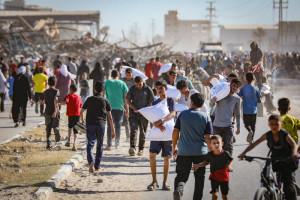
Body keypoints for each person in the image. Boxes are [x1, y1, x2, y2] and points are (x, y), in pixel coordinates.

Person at [238, 115, 298, 200]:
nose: (274, 126)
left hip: (287, 160)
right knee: (264, 175)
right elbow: (254, 144)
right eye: (272, 124)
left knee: (288, 187)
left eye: (276, 124)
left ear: (281, 124)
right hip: (275, 159)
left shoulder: (284, 134)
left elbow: (293, 144)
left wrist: (294, 154)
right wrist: (243, 153)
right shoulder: (267, 135)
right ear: (269, 125)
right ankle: (266, 191)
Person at [172, 93, 213, 200]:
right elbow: (208, 137)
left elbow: (176, 131)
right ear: (202, 104)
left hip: (183, 152)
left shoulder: (183, 115)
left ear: (192, 102)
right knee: (199, 178)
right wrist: (211, 152)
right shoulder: (205, 117)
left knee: (181, 175)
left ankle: (179, 190)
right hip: (200, 152)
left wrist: (174, 147)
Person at [80, 81, 115, 173]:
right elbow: (110, 117)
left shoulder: (89, 99)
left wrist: (82, 120)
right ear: (103, 90)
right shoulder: (106, 101)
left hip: (90, 125)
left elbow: (81, 111)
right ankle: (97, 166)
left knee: (90, 145)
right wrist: (112, 130)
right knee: (100, 146)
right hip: (101, 125)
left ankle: (91, 161)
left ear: (94, 89)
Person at [147, 80, 176, 191]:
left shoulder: (170, 100)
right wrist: (158, 125)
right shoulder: (154, 102)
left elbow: (173, 114)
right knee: (152, 155)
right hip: (157, 133)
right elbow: (152, 118)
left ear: (166, 89)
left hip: (168, 134)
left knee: (166, 158)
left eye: (161, 88)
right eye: (158, 88)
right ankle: (154, 182)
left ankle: (165, 183)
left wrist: (162, 120)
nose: (159, 90)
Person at [193, 135, 233, 200]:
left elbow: (231, 159)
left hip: (224, 177)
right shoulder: (210, 155)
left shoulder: (225, 153)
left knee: (224, 196)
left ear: (222, 144)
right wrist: (198, 165)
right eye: (214, 143)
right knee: (215, 195)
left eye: (218, 143)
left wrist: (230, 166)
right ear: (211, 145)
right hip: (214, 177)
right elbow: (206, 162)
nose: (216, 145)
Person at [210, 78, 242, 155]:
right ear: (230, 84)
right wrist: (212, 102)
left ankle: (228, 164)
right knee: (216, 146)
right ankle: (217, 164)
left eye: (237, 87)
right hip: (217, 125)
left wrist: (238, 127)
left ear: (238, 88)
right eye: (234, 85)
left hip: (228, 125)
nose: (234, 88)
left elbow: (237, 113)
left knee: (229, 145)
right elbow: (211, 105)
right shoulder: (221, 94)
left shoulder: (237, 98)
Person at [126, 76, 154, 156]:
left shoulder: (148, 89)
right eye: (137, 85)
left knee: (143, 132)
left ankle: (141, 149)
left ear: (143, 82)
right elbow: (128, 100)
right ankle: (132, 147)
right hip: (134, 114)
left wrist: (145, 109)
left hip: (144, 114)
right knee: (133, 130)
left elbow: (152, 101)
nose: (138, 86)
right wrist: (133, 108)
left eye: (140, 84)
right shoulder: (132, 89)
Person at [104, 69, 129, 150]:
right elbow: (126, 98)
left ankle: (109, 145)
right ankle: (117, 144)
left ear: (111, 76)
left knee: (109, 126)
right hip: (120, 108)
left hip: (109, 108)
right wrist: (127, 109)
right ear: (118, 76)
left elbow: (102, 92)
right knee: (118, 125)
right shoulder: (122, 83)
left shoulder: (107, 82)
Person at [238, 73, 262, 144]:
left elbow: (239, 96)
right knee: (253, 125)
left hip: (245, 110)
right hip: (254, 110)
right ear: (253, 79)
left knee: (246, 124)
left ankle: (249, 130)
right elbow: (259, 100)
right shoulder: (256, 88)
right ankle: (251, 140)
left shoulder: (243, 88)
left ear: (245, 79)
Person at [59, 84, 82, 151]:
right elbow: (81, 105)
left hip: (70, 115)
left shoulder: (69, 96)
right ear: (77, 90)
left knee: (70, 127)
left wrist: (59, 104)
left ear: (70, 90)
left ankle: (69, 140)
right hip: (77, 115)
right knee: (76, 130)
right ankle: (74, 144)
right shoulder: (78, 97)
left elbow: (65, 102)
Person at [41, 76, 60, 149]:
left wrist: (43, 102)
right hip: (54, 112)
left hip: (47, 112)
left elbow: (41, 102)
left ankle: (48, 144)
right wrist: (55, 110)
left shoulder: (45, 92)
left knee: (48, 128)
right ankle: (56, 129)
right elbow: (56, 99)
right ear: (55, 84)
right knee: (55, 125)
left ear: (48, 84)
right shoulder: (56, 91)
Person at [121, 68, 135, 141]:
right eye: (127, 75)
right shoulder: (123, 80)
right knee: (126, 119)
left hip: (133, 102)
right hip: (124, 101)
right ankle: (127, 136)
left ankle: (133, 135)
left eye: (129, 75)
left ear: (132, 74)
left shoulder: (134, 81)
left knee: (133, 120)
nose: (128, 77)